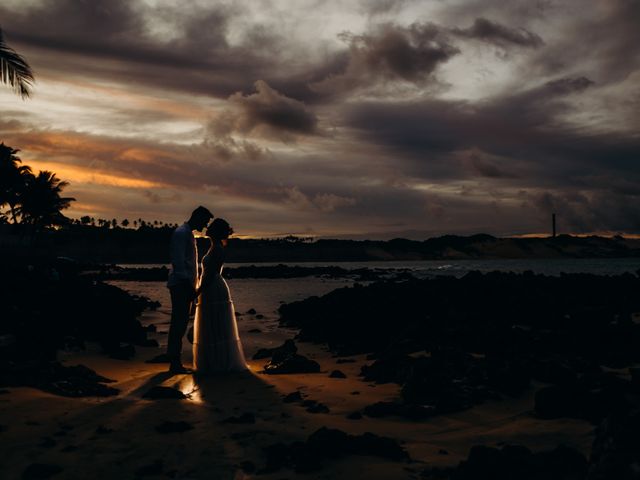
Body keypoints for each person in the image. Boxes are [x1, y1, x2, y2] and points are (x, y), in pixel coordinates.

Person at [193, 218, 247, 374]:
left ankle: (218, 363)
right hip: (212, 286)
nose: (207, 228)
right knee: (212, 324)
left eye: (211, 227)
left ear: (215, 232)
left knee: (215, 324)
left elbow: (210, 275)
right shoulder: (214, 247)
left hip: (213, 288)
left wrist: (198, 291)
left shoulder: (217, 249)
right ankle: (213, 362)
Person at [166, 206, 213, 373]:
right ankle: (174, 363)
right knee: (178, 323)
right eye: (205, 221)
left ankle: (174, 361)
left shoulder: (189, 234)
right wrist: (189, 289)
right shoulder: (181, 233)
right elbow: (178, 264)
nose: (206, 226)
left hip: (184, 285)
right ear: (198, 217)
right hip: (180, 285)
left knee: (181, 322)